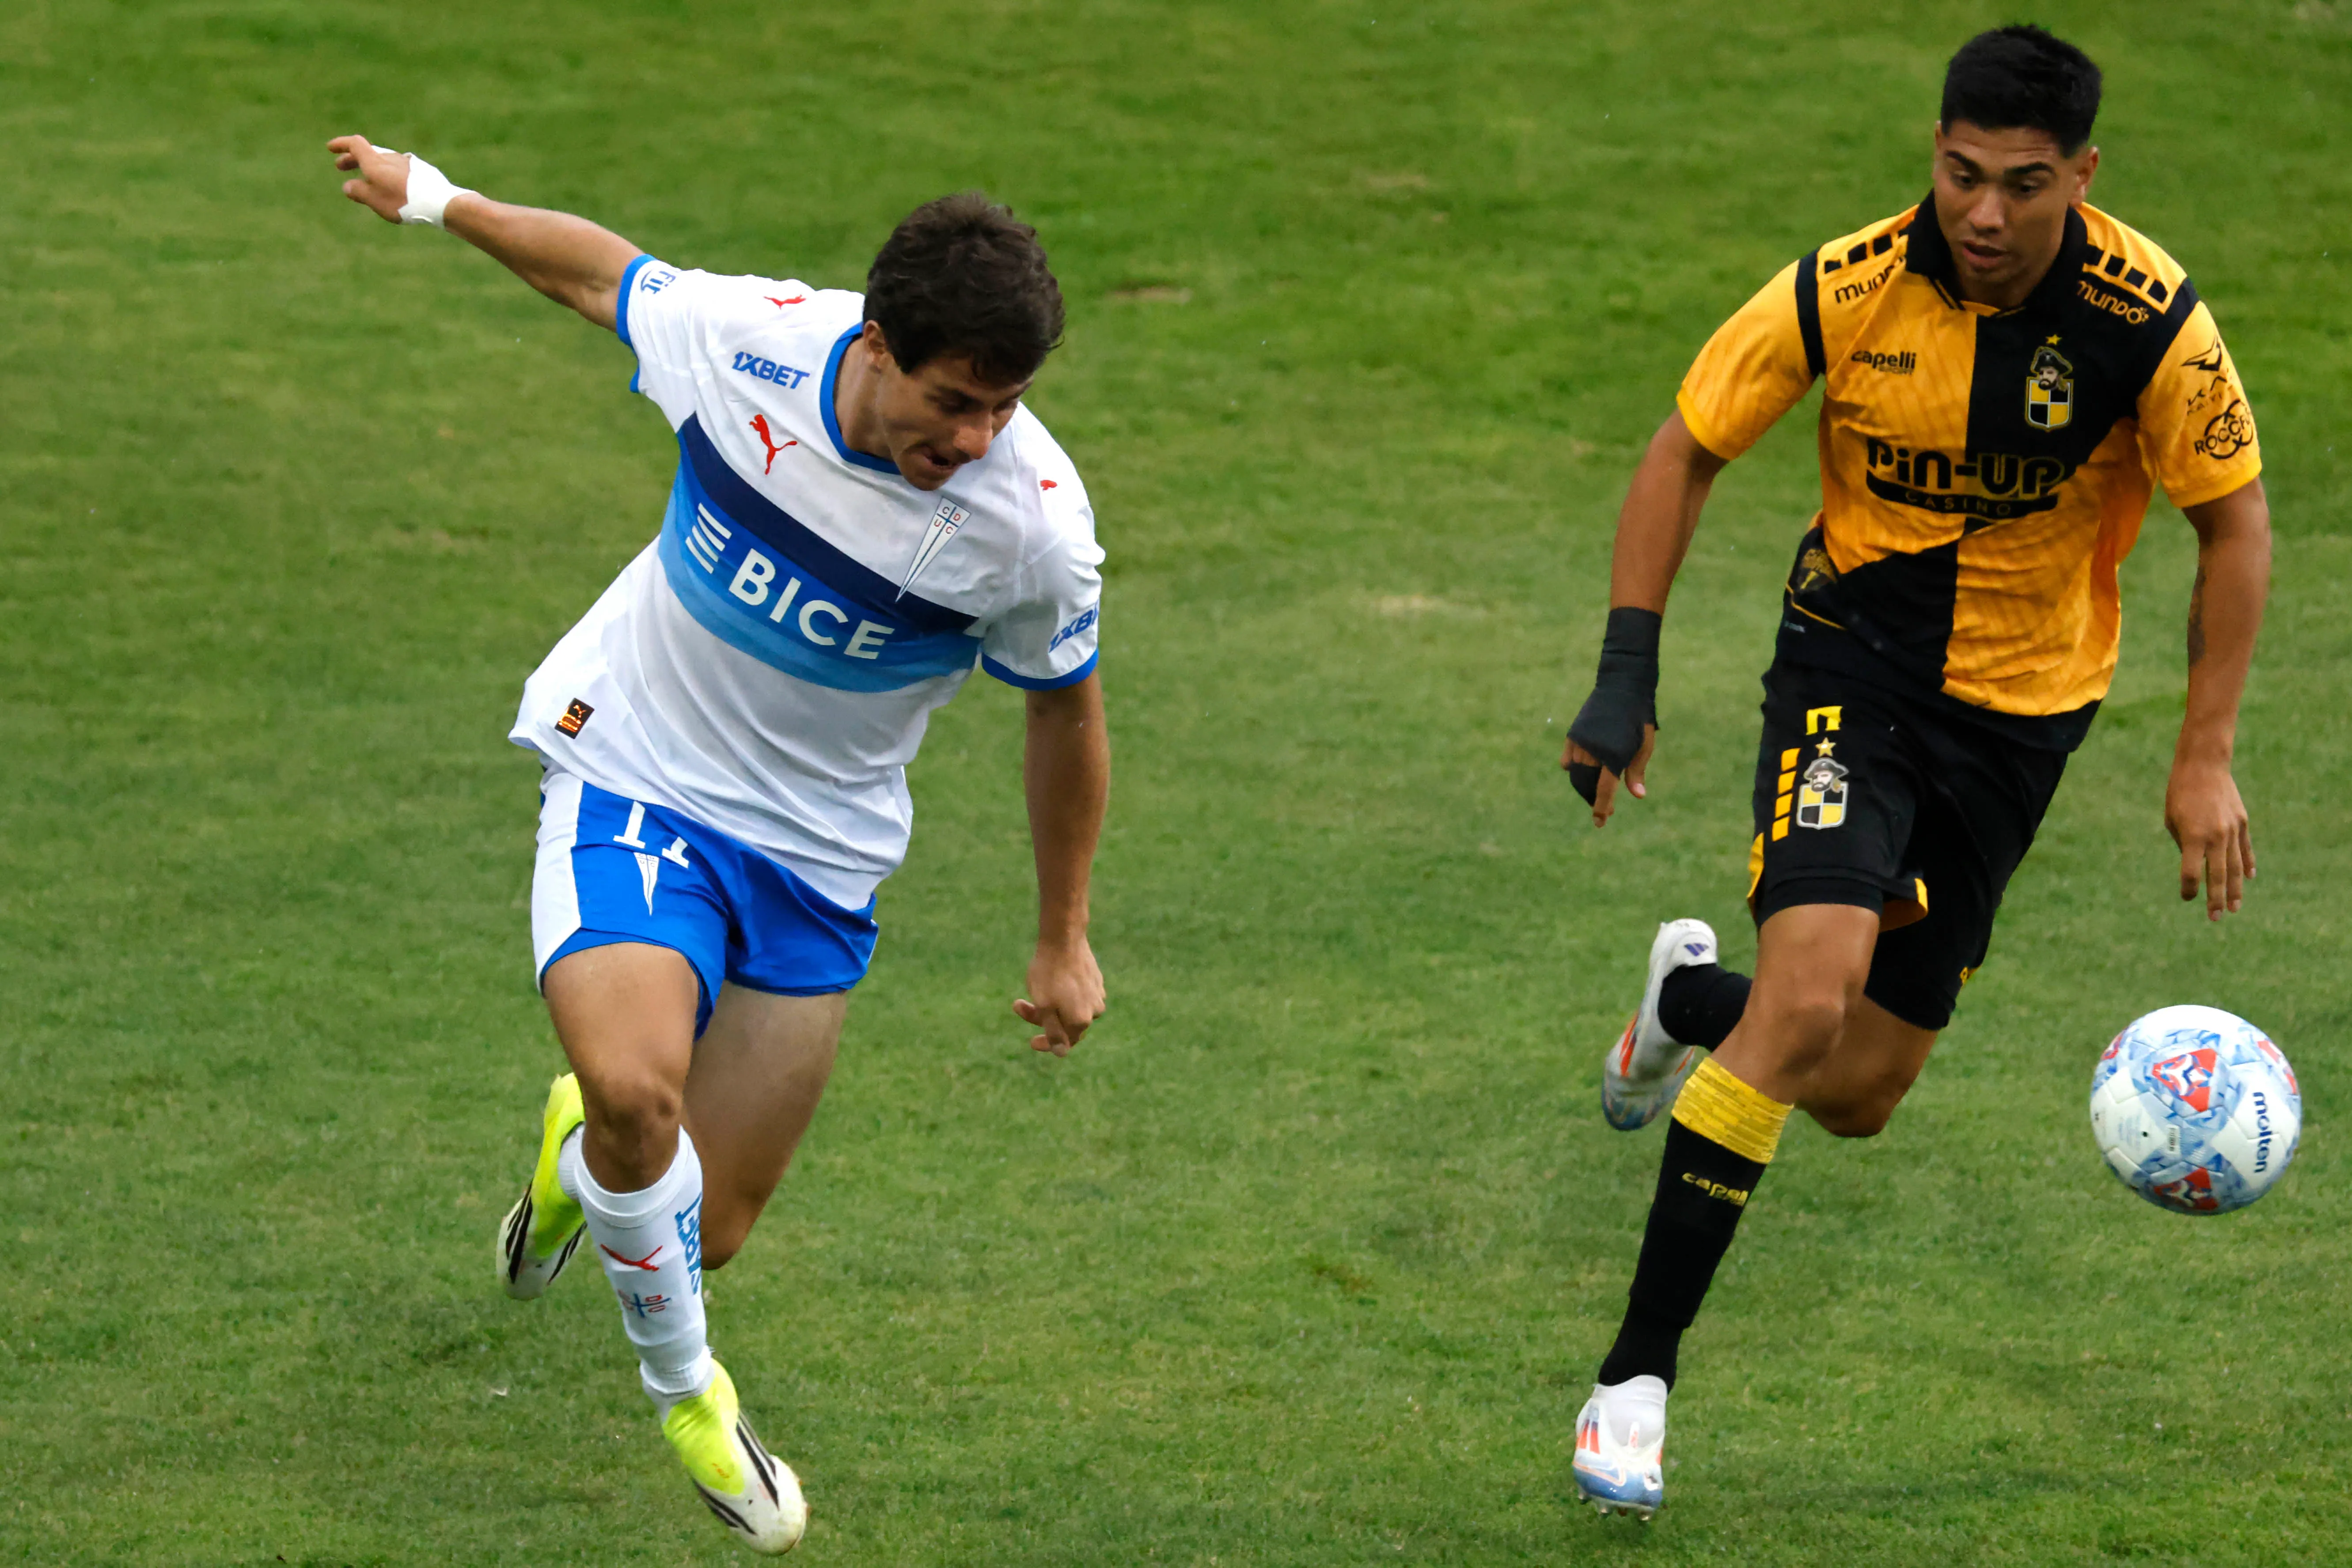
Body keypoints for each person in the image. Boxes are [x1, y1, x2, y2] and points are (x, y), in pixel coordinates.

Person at [328, 135, 1111, 1553]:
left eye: (1004, 407)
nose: (977, 437)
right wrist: (439, 200)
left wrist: (1062, 935)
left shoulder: (1031, 537)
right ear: (877, 348)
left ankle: (580, 1162)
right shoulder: (751, 349)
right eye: (953, 402)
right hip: (636, 770)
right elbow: (597, 275)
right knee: (641, 1093)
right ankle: (692, 1395)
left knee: (707, 1222)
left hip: (817, 860)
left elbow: (1065, 716)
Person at [1555, 26, 2268, 1518]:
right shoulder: (1845, 284)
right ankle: (1632, 1384)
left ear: (2081, 174)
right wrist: (1626, 674)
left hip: (2019, 724)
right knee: (1808, 995)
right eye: (1959, 176)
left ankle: (1685, 1003)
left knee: (1856, 1087)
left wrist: (2202, 756)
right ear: (1932, 156)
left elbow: (2234, 523)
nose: (1984, 214)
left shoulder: (2149, 321)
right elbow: (1684, 447)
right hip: (1849, 672)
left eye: (2021, 184)